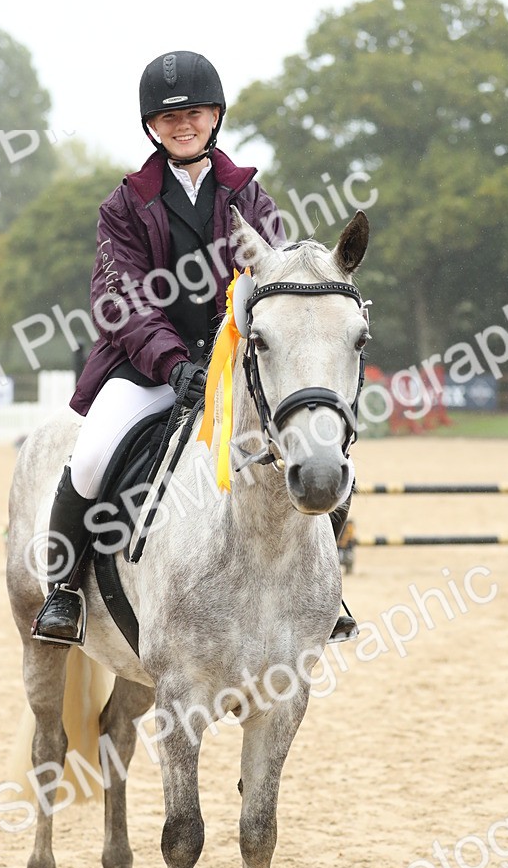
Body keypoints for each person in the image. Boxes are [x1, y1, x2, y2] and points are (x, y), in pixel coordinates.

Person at [32, 50, 356, 645]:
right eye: (168, 117)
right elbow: (120, 297)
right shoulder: (125, 203)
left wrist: (228, 360)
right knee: (92, 455)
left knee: (311, 442)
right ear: (151, 127)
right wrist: (174, 363)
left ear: (216, 117)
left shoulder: (248, 196)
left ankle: (323, 590)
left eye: (196, 112)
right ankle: (65, 591)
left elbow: (271, 283)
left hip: (233, 367)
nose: (183, 124)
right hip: (144, 369)